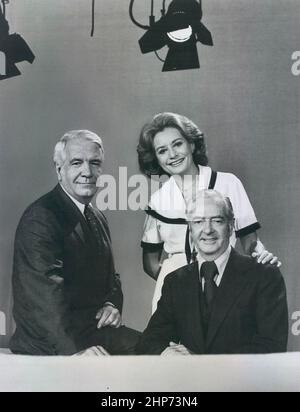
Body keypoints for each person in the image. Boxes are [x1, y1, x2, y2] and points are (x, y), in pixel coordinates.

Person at [10, 130, 140, 356]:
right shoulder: (42, 217)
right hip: (50, 342)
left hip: (90, 330)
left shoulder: (97, 217)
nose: (87, 172)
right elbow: (42, 299)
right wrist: (73, 353)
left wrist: (112, 305)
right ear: (60, 170)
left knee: (158, 349)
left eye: (94, 163)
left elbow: (111, 277)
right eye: (77, 162)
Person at [137, 112, 281, 313]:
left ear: (192, 144)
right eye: (162, 150)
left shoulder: (228, 183)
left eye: (177, 144)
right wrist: (178, 284)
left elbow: (250, 241)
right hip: (175, 292)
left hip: (222, 280)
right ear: (156, 158)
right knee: (173, 345)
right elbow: (150, 262)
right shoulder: (157, 200)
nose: (172, 154)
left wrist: (261, 254)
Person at [137, 190, 288, 355]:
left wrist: (203, 364)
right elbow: (148, 341)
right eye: (198, 222)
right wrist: (166, 352)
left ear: (231, 227)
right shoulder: (175, 282)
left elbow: (271, 346)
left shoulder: (264, 275)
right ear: (190, 230)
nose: (207, 230)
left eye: (217, 220)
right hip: (189, 380)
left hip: (241, 381)